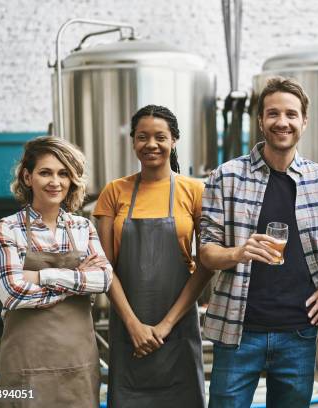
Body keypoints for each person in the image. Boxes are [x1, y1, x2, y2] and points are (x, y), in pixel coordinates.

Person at [199, 76, 318, 408]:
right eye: (273, 113)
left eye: (291, 114)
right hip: (238, 328)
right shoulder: (226, 177)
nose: (282, 122)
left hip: (299, 330)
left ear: (304, 121)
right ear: (260, 120)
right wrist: (238, 251)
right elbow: (206, 252)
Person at [93, 105, 212, 407]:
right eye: (142, 137)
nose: (151, 144)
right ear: (133, 141)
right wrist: (134, 325)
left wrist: (165, 326)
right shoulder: (114, 191)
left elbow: (206, 264)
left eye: (160, 137)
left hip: (178, 328)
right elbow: (104, 267)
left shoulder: (195, 190)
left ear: (174, 141)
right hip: (127, 329)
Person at [0, 136, 113, 407]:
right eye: (45, 172)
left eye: (63, 174)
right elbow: (13, 294)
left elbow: (104, 279)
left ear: (72, 180)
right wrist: (77, 280)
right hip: (25, 364)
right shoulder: (6, 228)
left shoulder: (83, 227)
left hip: (78, 364)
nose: (55, 182)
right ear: (27, 176)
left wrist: (42, 276)